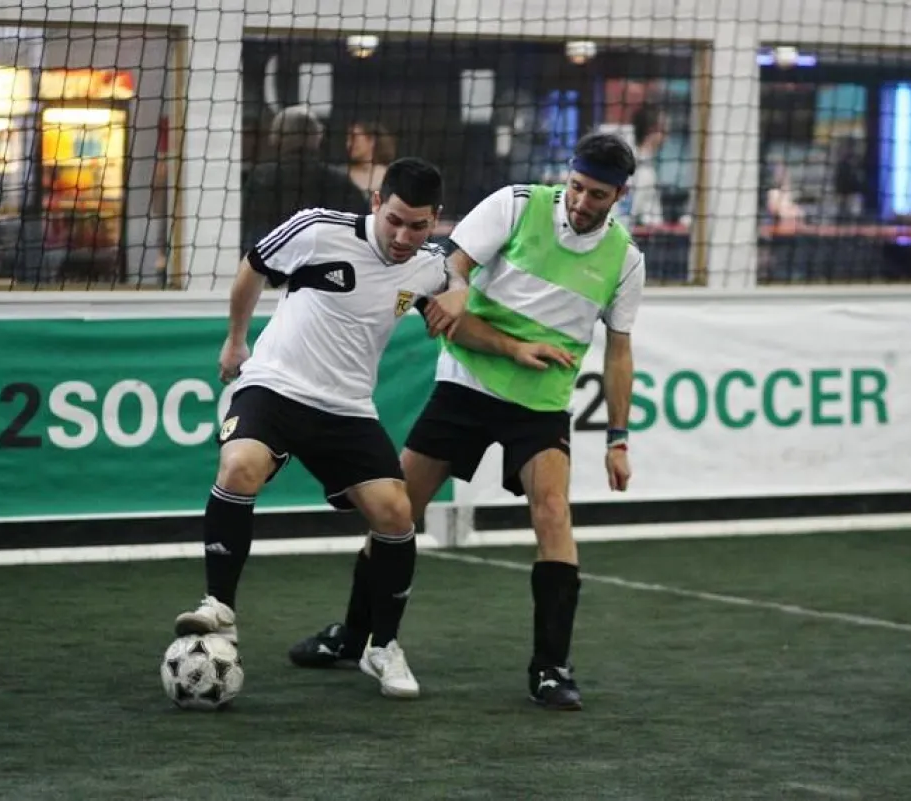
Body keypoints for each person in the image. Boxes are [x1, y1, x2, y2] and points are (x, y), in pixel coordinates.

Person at [288, 131, 648, 711]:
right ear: (568, 176)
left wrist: (618, 438)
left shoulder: (626, 260)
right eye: (577, 187)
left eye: (598, 195)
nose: (583, 202)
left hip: (542, 404)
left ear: (619, 196)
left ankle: (551, 668)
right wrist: (500, 339)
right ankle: (356, 636)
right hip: (466, 386)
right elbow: (443, 283)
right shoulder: (514, 205)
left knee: (553, 513)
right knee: (398, 510)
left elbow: (620, 352)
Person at [174, 157, 459, 700]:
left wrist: (461, 289)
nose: (403, 236)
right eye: (394, 219)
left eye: (417, 226)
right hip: (275, 386)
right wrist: (236, 340)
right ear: (376, 202)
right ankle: (220, 610)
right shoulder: (317, 228)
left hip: (348, 407)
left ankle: (382, 646)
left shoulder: (427, 264)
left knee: (397, 513)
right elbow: (253, 267)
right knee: (239, 467)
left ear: (433, 220)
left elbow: (455, 272)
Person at [241, 106, 368, 253]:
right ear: (317, 138)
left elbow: (250, 240)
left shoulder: (261, 180)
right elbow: (361, 236)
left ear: (275, 140)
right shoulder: (341, 183)